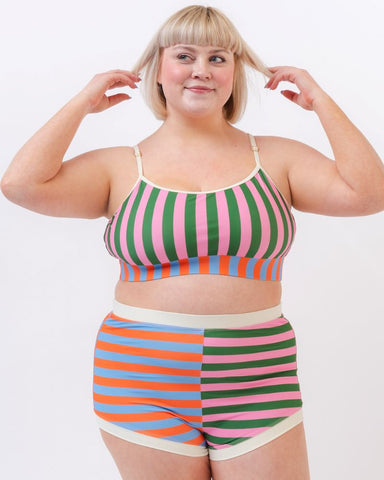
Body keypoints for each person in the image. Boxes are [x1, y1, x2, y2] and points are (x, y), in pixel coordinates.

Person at [1, 4, 383, 480]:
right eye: (185, 55)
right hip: (141, 380)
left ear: (235, 74)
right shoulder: (120, 167)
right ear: (157, 69)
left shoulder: (278, 158)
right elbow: (20, 185)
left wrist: (321, 100)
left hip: (258, 380)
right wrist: (82, 102)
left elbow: (370, 194)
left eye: (219, 58)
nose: (201, 70)